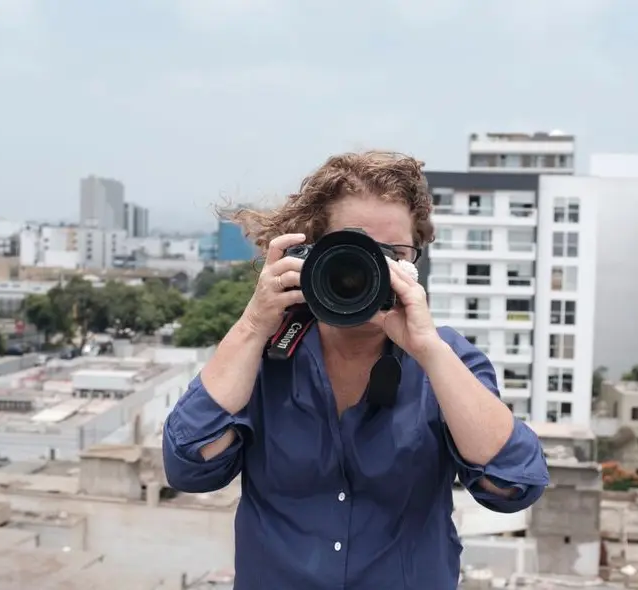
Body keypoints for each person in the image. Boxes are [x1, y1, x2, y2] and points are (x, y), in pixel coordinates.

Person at [163, 150, 549, 589]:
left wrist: (428, 350)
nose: (371, 270)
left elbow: (513, 485)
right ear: (312, 253)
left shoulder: (448, 360)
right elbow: (189, 467)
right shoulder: (263, 357)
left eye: (393, 254)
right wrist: (253, 324)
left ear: (415, 262)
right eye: (354, 251)